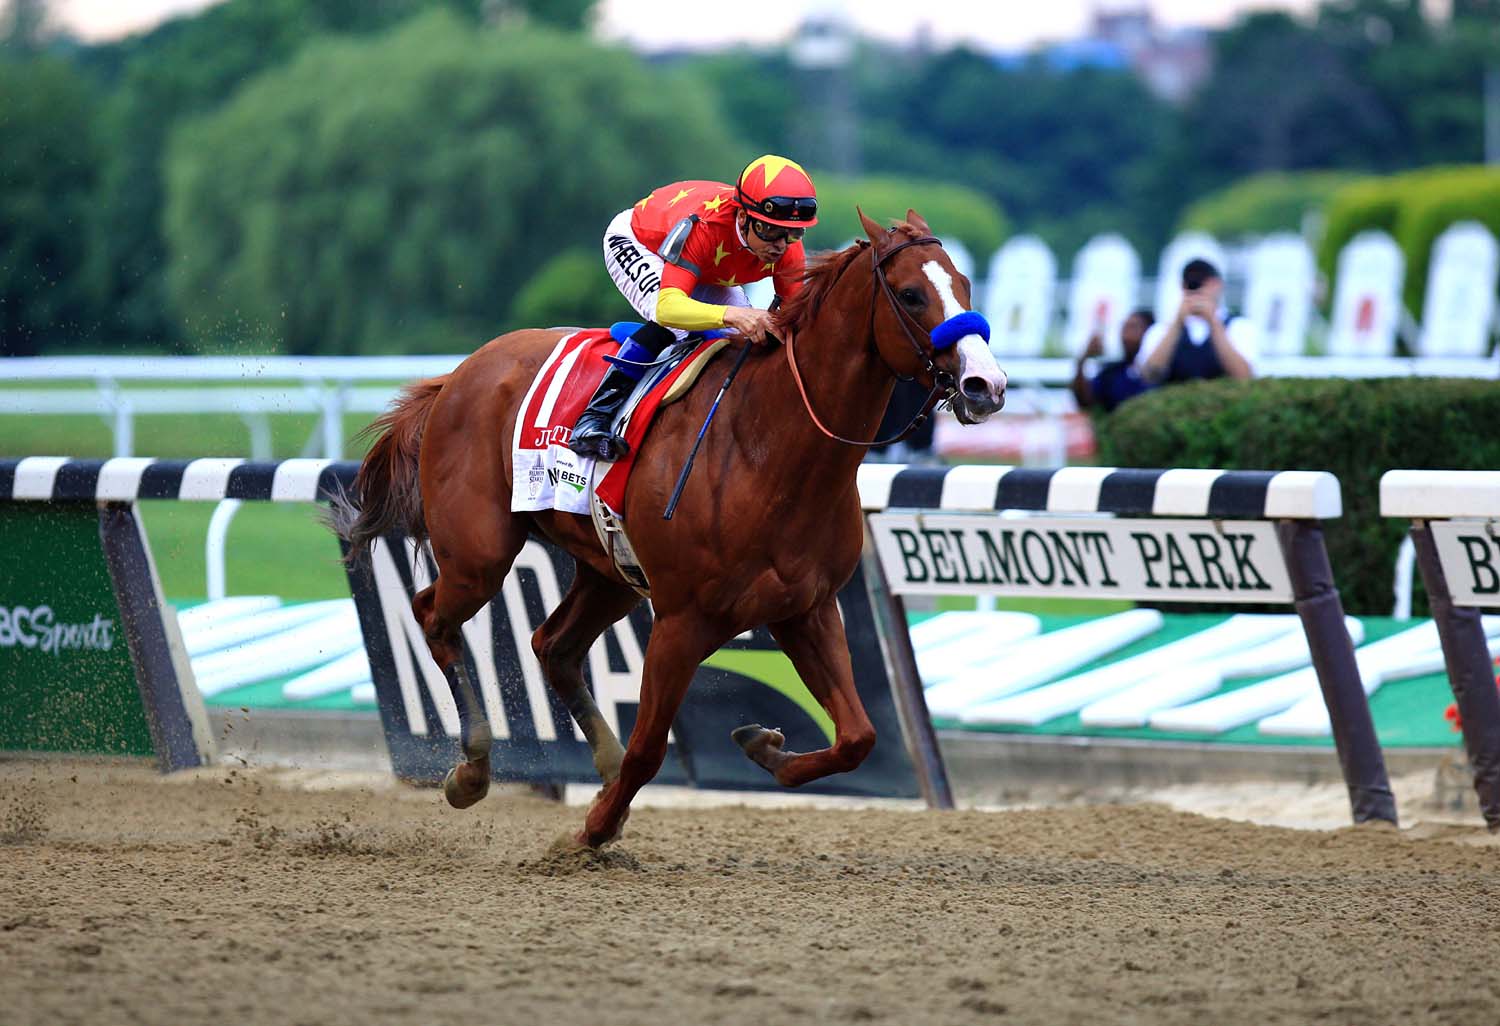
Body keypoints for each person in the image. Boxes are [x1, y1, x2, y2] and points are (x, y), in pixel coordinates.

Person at [569, 155, 818, 461]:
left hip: (706, 267)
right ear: (742, 218)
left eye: (793, 233)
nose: (781, 245)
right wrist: (734, 314)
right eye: (769, 231)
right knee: (677, 324)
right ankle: (594, 418)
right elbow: (669, 308)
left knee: (741, 339)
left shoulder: (786, 248)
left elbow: (798, 321)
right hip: (641, 243)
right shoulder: (706, 227)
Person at [1139, 258, 1257, 385]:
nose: (1196, 287)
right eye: (1191, 283)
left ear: (1218, 285)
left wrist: (1213, 322)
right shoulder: (1161, 330)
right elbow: (1149, 375)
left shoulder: (1240, 327)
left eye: (1203, 282)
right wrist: (1177, 324)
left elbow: (1244, 376)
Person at [1070, 308, 1155, 413]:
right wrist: (1082, 360)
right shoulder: (1112, 373)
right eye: (1124, 328)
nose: (1125, 335)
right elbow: (1084, 400)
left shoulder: (1165, 370)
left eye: (1133, 327)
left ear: (1150, 332)